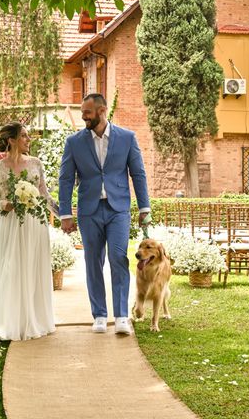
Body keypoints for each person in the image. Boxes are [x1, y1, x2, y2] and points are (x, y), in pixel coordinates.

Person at [59, 93, 150, 335]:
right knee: (92, 262)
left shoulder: (127, 138)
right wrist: (65, 213)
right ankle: (99, 315)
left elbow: (138, 174)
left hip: (118, 209)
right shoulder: (74, 142)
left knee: (118, 259)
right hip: (88, 211)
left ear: (101, 111)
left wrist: (144, 208)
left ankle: (121, 316)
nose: (83, 117)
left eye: (87, 113)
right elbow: (66, 179)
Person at [0, 122, 57, 341]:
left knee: (34, 269)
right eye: (24, 136)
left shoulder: (36, 163)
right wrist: (2, 205)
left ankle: (35, 320)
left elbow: (45, 195)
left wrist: (64, 215)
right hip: (10, 224)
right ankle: (9, 322)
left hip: (36, 224)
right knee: (11, 269)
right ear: (12, 140)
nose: (28, 139)